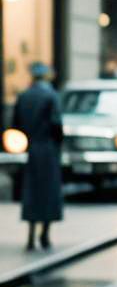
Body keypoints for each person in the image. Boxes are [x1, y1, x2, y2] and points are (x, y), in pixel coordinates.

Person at [13, 62, 64, 250]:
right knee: (48, 192)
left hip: (31, 148)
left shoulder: (24, 95)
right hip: (48, 148)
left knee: (32, 191)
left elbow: (16, 125)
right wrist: (58, 144)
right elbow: (56, 124)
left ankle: (30, 235)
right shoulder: (51, 95)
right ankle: (45, 234)